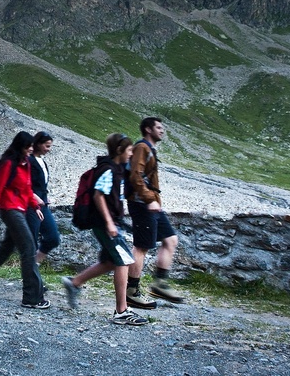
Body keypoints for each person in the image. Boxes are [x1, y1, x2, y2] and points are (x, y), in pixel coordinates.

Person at [61, 133, 147, 325]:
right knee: (124, 260)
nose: (132, 153)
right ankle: (121, 311)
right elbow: (99, 196)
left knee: (110, 262)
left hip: (109, 223)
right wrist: (109, 223)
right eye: (129, 150)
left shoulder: (115, 168)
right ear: (119, 150)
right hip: (105, 224)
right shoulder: (108, 170)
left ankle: (74, 283)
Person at [0, 131, 49, 309]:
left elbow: (28, 189)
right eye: (28, 146)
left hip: (21, 209)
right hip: (10, 210)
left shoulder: (25, 163)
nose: (31, 149)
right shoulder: (8, 163)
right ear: (21, 146)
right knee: (28, 248)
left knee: (5, 248)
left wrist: (35, 207)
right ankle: (31, 298)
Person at [126, 117, 185, 307]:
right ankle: (131, 292)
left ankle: (159, 284)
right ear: (148, 129)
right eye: (159, 127)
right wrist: (150, 199)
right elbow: (135, 176)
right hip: (142, 203)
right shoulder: (142, 148)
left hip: (152, 203)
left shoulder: (149, 149)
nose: (162, 131)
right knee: (142, 247)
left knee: (170, 240)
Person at [27, 131, 61, 264]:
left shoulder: (41, 161)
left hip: (43, 204)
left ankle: (35, 263)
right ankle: (32, 278)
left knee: (53, 238)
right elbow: (23, 184)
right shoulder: (28, 160)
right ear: (38, 144)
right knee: (31, 241)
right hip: (30, 205)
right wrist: (35, 196)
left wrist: (44, 196)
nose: (49, 149)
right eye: (47, 146)